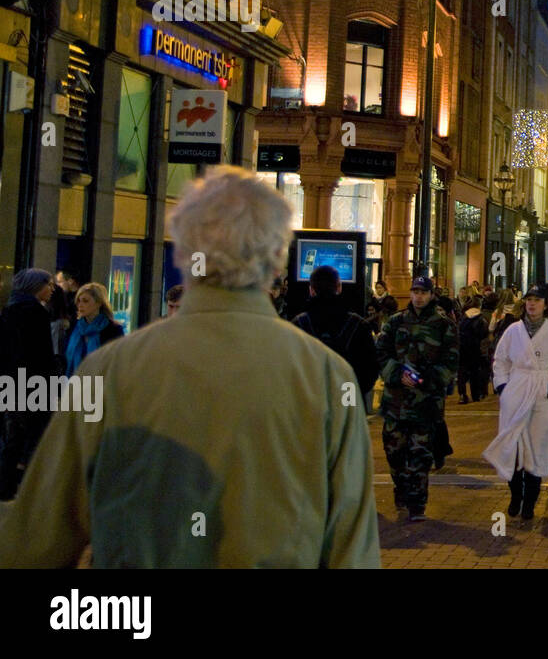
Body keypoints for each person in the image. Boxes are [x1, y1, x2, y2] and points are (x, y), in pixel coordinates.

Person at [0, 168, 379, 566]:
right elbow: (351, 549)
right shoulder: (326, 376)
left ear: (183, 254)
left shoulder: (110, 370)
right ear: (278, 261)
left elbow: (36, 540)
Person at [483, 285, 548, 521]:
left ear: (545, 304)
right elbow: (501, 360)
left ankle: (530, 502)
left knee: (537, 447)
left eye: (537, 300)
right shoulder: (513, 330)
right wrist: (503, 386)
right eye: (529, 300)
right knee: (513, 446)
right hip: (516, 388)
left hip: (540, 390)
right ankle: (516, 495)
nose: (532, 304)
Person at [376, 274, 459, 522]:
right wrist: (397, 374)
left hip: (426, 404)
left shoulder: (444, 324)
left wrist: (427, 380)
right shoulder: (396, 322)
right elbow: (381, 353)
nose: (418, 296)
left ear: (431, 295)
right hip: (396, 403)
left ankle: (417, 504)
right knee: (395, 454)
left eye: (423, 292)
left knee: (420, 456)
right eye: (415, 291)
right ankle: (401, 490)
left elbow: (451, 361)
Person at [0, 269, 56, 500]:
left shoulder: (9, 310)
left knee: (12, 438)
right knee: (36, 436)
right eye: (49, 284)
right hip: (33, 385)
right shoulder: (36, 312)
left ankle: (5, 485)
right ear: (36, 286)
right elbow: (42, 354)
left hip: (11, 384)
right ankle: (31, 489)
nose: (52, 289)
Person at [291, 266, 378, 414]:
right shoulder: (358, 325)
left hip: (308, 403)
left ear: (311, 289)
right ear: (339, 287)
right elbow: (370, 371)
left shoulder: (298, 325)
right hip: (348, 399)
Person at [64, 283, 125, 376]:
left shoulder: (113, 329)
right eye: (78, 301)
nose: (80, 305)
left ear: (99, 303)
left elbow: (117, 361)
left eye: (85, 301)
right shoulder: (74, 327)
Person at [457, 297, 489, 403]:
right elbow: (484, 333)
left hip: (462, 347)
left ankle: (462, 394)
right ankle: (475, 395)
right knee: (474, 371)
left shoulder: (464, 316)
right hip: (475, 347)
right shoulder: (480, 317)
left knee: (462, 371)